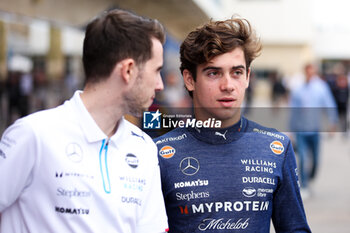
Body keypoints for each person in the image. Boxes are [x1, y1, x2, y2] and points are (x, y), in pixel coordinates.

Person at [0, 9, 168, 233]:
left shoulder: (144, 148)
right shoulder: (33, 135)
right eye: (156, 71)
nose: (160, 85)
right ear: (128, 70)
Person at [154, 17, 311, 232]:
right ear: (189, 79)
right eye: (213, 73)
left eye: (236, 72)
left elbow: (295, 228)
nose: (228, 85)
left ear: (247, 77)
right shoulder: (158, 153)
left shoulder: (276, 147)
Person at [289, 63, 338, 195]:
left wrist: (333, 123)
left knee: (316, 160)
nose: (310, 74)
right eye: (307, 71)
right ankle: (304, 185)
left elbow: (329, 104)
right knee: (303, 158)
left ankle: (309, 178)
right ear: (305, 72)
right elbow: (292, 111)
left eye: (312, 71)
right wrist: (291, 131)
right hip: (301, 130)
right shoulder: (298, 89)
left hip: (315, 130)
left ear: (315, 72)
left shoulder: (321, 88)